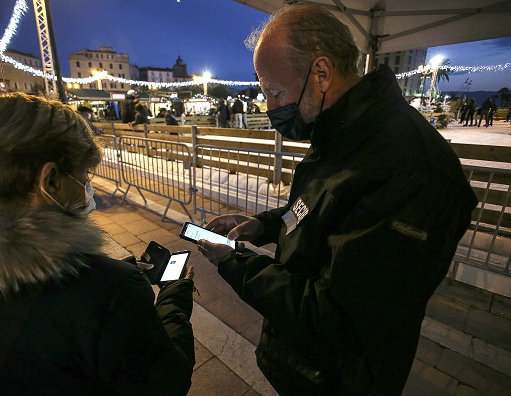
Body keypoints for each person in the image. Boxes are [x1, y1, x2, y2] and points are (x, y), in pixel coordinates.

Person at [196, 4, 477, 395]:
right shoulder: (340, 132)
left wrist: (235, 263)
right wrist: (266, 225)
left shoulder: (408, 167)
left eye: (274, 92)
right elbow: (317, 209)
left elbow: (338, 317)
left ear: (322, 74)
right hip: (304, 365)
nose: (271, 108)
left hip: (341, 380)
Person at [0, 93, 196, 395]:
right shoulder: (112, 292)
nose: (88, 184)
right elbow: (167, 383)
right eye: (84, 173)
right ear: (51, 181)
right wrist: (174, 297)